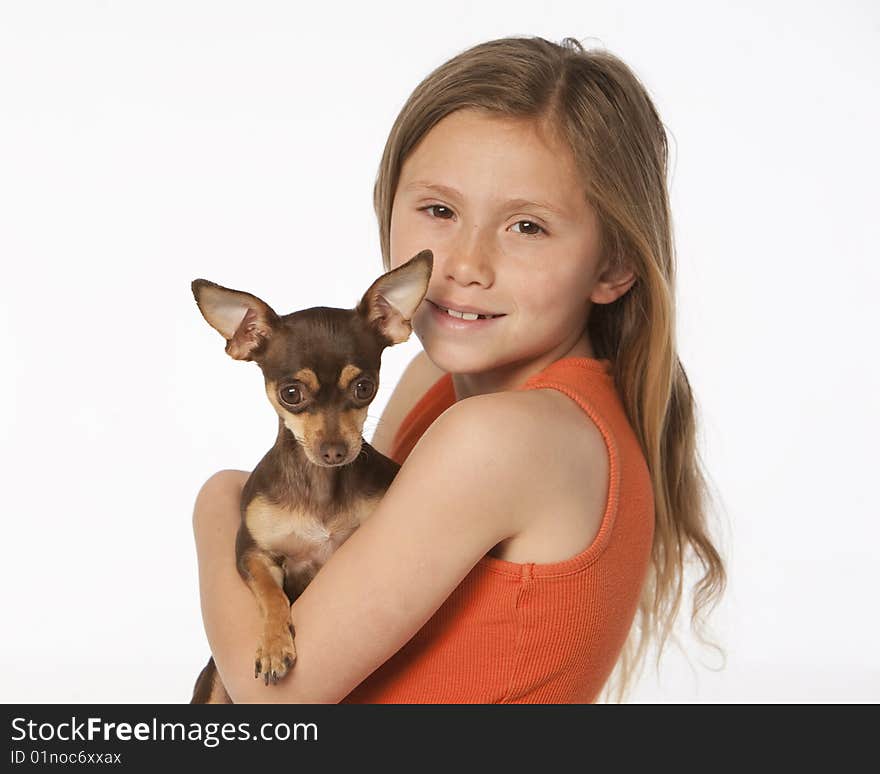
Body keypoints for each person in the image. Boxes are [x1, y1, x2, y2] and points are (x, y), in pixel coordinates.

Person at [192, 35, 727, 703]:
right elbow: (327, 589)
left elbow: (275, 696)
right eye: (439, 211)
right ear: (387, 207)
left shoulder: (501, 438)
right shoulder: (431, 386)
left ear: (614, 266)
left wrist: (219, 506)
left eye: (527, 226)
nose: (465, 265)